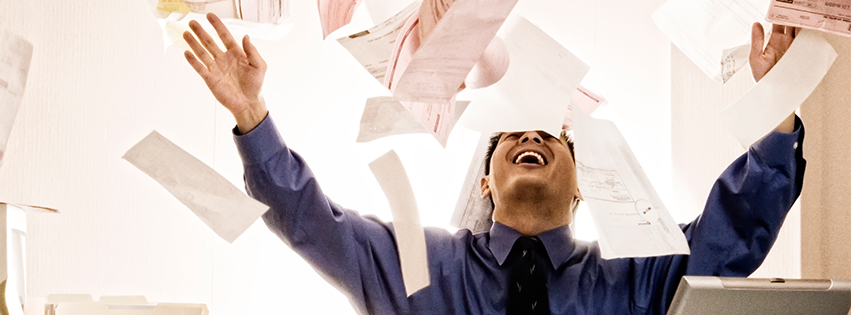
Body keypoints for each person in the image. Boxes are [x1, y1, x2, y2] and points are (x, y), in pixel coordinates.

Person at [182, 13, 804, 314]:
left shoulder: (637, 278)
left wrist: (776, 105)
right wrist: (252, 115)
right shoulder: (415, 269)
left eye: (551, 133)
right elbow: (310, 220)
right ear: (485, 177)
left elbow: (736, 230)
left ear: (582, 181)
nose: (531, 135)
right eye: (512, 132)